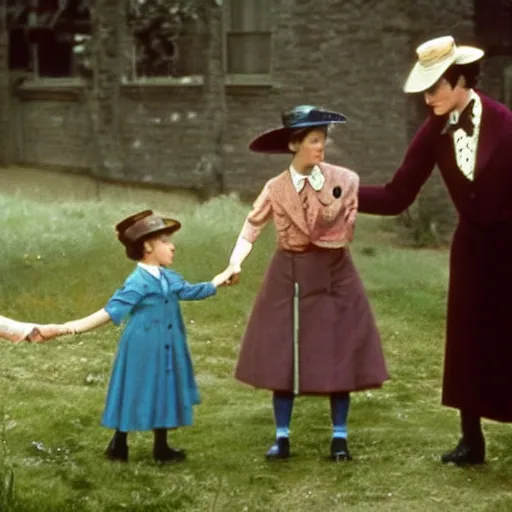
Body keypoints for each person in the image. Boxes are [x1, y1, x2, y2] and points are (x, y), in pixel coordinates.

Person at [357, 35, 512, 465]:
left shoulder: (506, 124)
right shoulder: (434, 130)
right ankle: (471, 441)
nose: (427, 99)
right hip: (471, 250)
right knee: (467, 339)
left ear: (460, 80)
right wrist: (344, 191)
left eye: (433, 89)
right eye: (423, 90)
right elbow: (397, 194)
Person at [220, 105, 388, 461]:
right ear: (294, 144)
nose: (320, 147)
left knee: (339, 350)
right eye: (313, 140)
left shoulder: (342, 180)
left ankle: (339, 438)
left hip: (335, 269)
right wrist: (235, 262)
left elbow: (346, 221)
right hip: (290, 271)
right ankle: (282, 437)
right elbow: (253, 225)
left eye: (323, 140)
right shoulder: (276, 188)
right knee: (284, 353)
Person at [52, 210, 231, 463]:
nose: (173, 246)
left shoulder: (169, 276)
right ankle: (119, 444)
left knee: (165, 388)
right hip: (143, 345)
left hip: (168, 343)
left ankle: (161, 447)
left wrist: (218, 281)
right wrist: (69, 327)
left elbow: (190, 291)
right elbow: (110, 311)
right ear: (147, 246)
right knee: (137, 387)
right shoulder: (137, 282)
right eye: (166, 241)